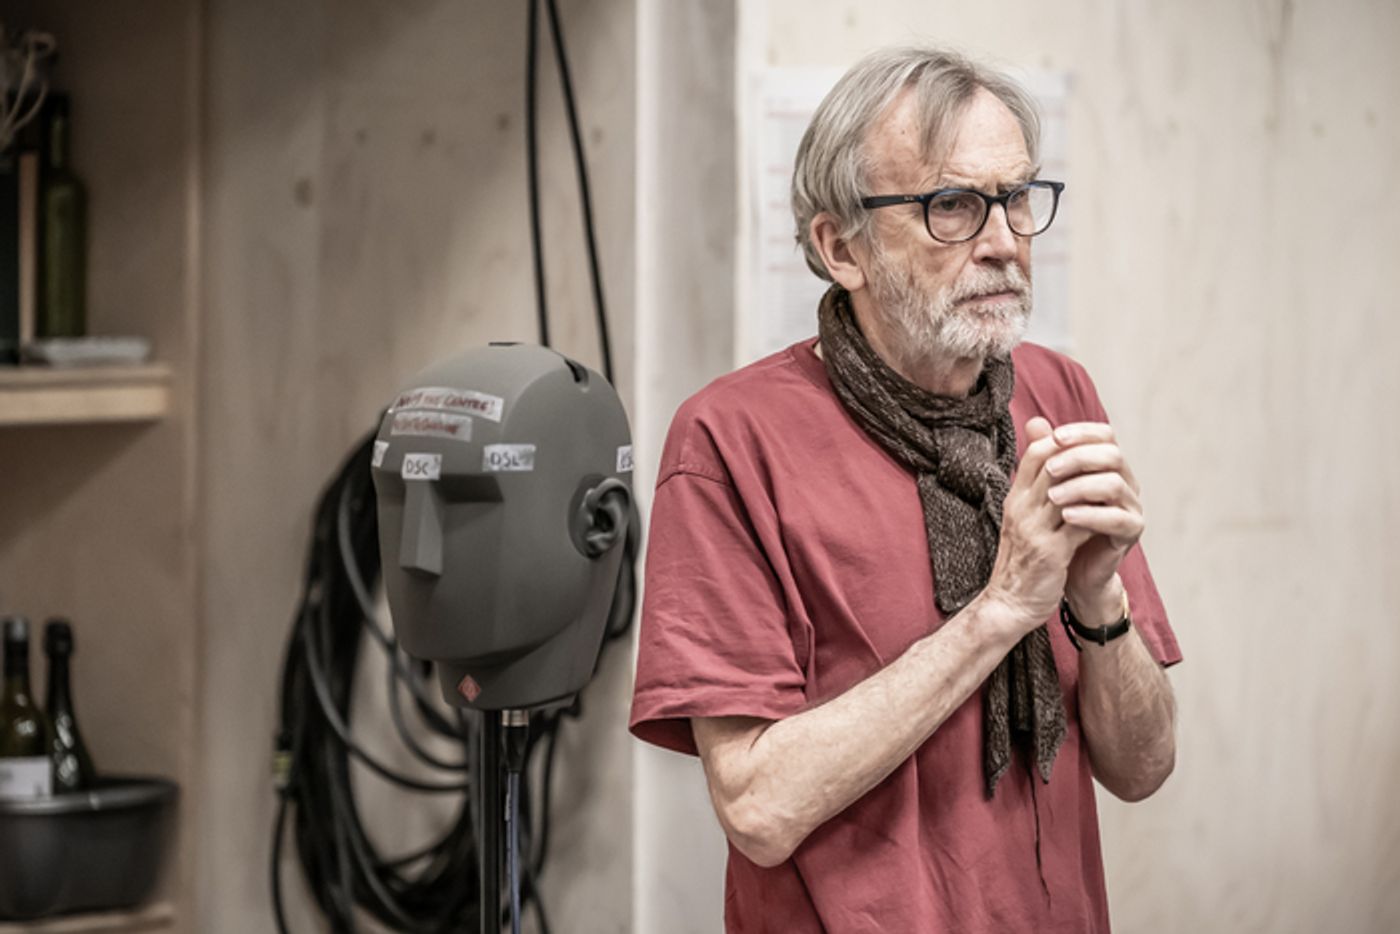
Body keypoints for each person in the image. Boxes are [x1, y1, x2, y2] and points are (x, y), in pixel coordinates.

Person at [630, 45, 1180, 933]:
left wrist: (1096, 594)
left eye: (1017, 199)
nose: (1003, 240)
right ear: (840, 246)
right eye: (951, 206)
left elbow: (1143, 768)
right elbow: (758, 808)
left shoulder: (1058, 396)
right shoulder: (729, 442)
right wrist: (1002, 608)